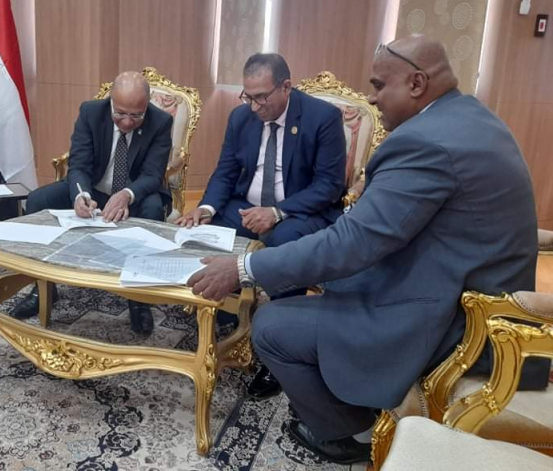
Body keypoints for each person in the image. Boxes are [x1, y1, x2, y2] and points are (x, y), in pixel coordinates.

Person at [187, 35, 538, 464]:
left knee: (272, 326)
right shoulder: (469, 118)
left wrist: (244, 268)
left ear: (416, 83)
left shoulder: (425, 142)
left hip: (454, 319)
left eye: (378, 85)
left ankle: (352, 433)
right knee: (318, 283)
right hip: (463, 289)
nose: (371, 99)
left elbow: (353, 241)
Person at [176, 52, 347, 399]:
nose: (254, 106)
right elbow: (226, 171)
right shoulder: (241, 117)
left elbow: (329, 186)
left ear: (286, 87)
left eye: (261, 97)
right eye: (248, 96)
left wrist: (278, 211)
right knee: (208, 233)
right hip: (246, 205)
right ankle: (226, 318)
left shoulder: (323, 118)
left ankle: (281, 349)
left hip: (299, 211)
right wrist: (205, 208)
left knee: (287, 241)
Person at [10, 71, 173, 335]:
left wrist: (127, 194)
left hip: (135, 193)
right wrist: (80, 194)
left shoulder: (161, 121)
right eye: (120, 113)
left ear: (146, 105)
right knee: (38, 199)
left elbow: (153, 175)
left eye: (136, 115)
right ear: (111, 100)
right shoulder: (90, 112)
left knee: (153, 209)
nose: (128, 122)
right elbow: (78, 164)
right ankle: (43, 287)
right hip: (94, 189)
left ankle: (139, 299)